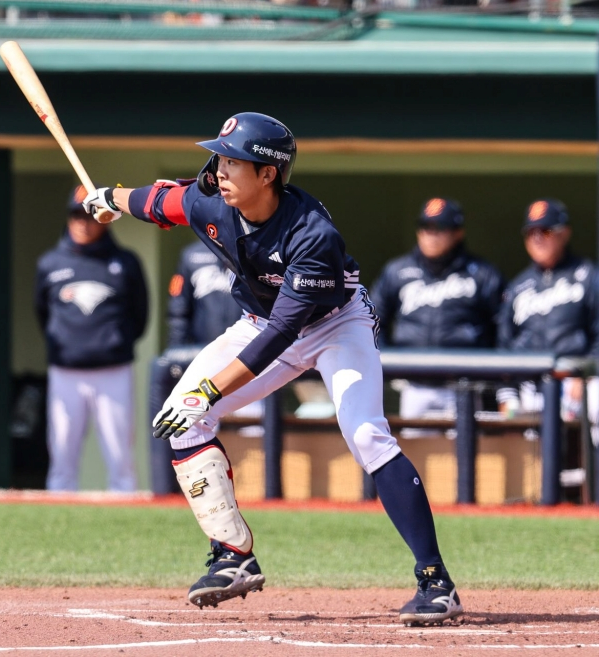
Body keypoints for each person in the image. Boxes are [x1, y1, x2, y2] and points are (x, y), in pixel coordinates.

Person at [81, 113, 462, 625]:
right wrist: (109, 197)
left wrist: (212, 388)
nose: (220, 169)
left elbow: (282, 334)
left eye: (235, 161)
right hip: (259, 319)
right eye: (219, 157)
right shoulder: (209, 199)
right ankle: (233, 555)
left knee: (366, 435)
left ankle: (436, 582)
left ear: (268, 174)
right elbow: (156, 201)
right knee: (182, 419)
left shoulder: (312, 234)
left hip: (334, 324)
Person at [34, 186, 149, 492]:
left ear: (103, 217)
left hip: (113, 371)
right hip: (65, 371)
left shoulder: (125, 262)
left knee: (120, 453)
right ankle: (59, 512)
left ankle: (125, 508)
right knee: (61, 452)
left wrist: (114, 343)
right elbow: (42, 313)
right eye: (75, 216)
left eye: (88, 216)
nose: (82, 223)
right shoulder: (50, 263)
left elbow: (140, 315)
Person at [370, 198, 504, 434]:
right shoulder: (398, 271)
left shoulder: (482, 273)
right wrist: (387, 366)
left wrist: (487, 372)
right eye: (425, 227)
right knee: (415, 457)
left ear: (458, 233)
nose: (431, 235)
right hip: (413, 386)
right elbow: (371, 319)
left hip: (464, 386)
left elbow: (503, 326)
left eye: (439, 228)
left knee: (466, 462)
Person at [497, 199, 599, 424]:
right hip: (532, 388)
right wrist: (507, 395)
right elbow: (505, 345)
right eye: (530, 232)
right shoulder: (518, 287)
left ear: (565, 233)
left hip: (577, 381)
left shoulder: (588, 275)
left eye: (545, 230)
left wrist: (587, 373)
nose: (537, 238)